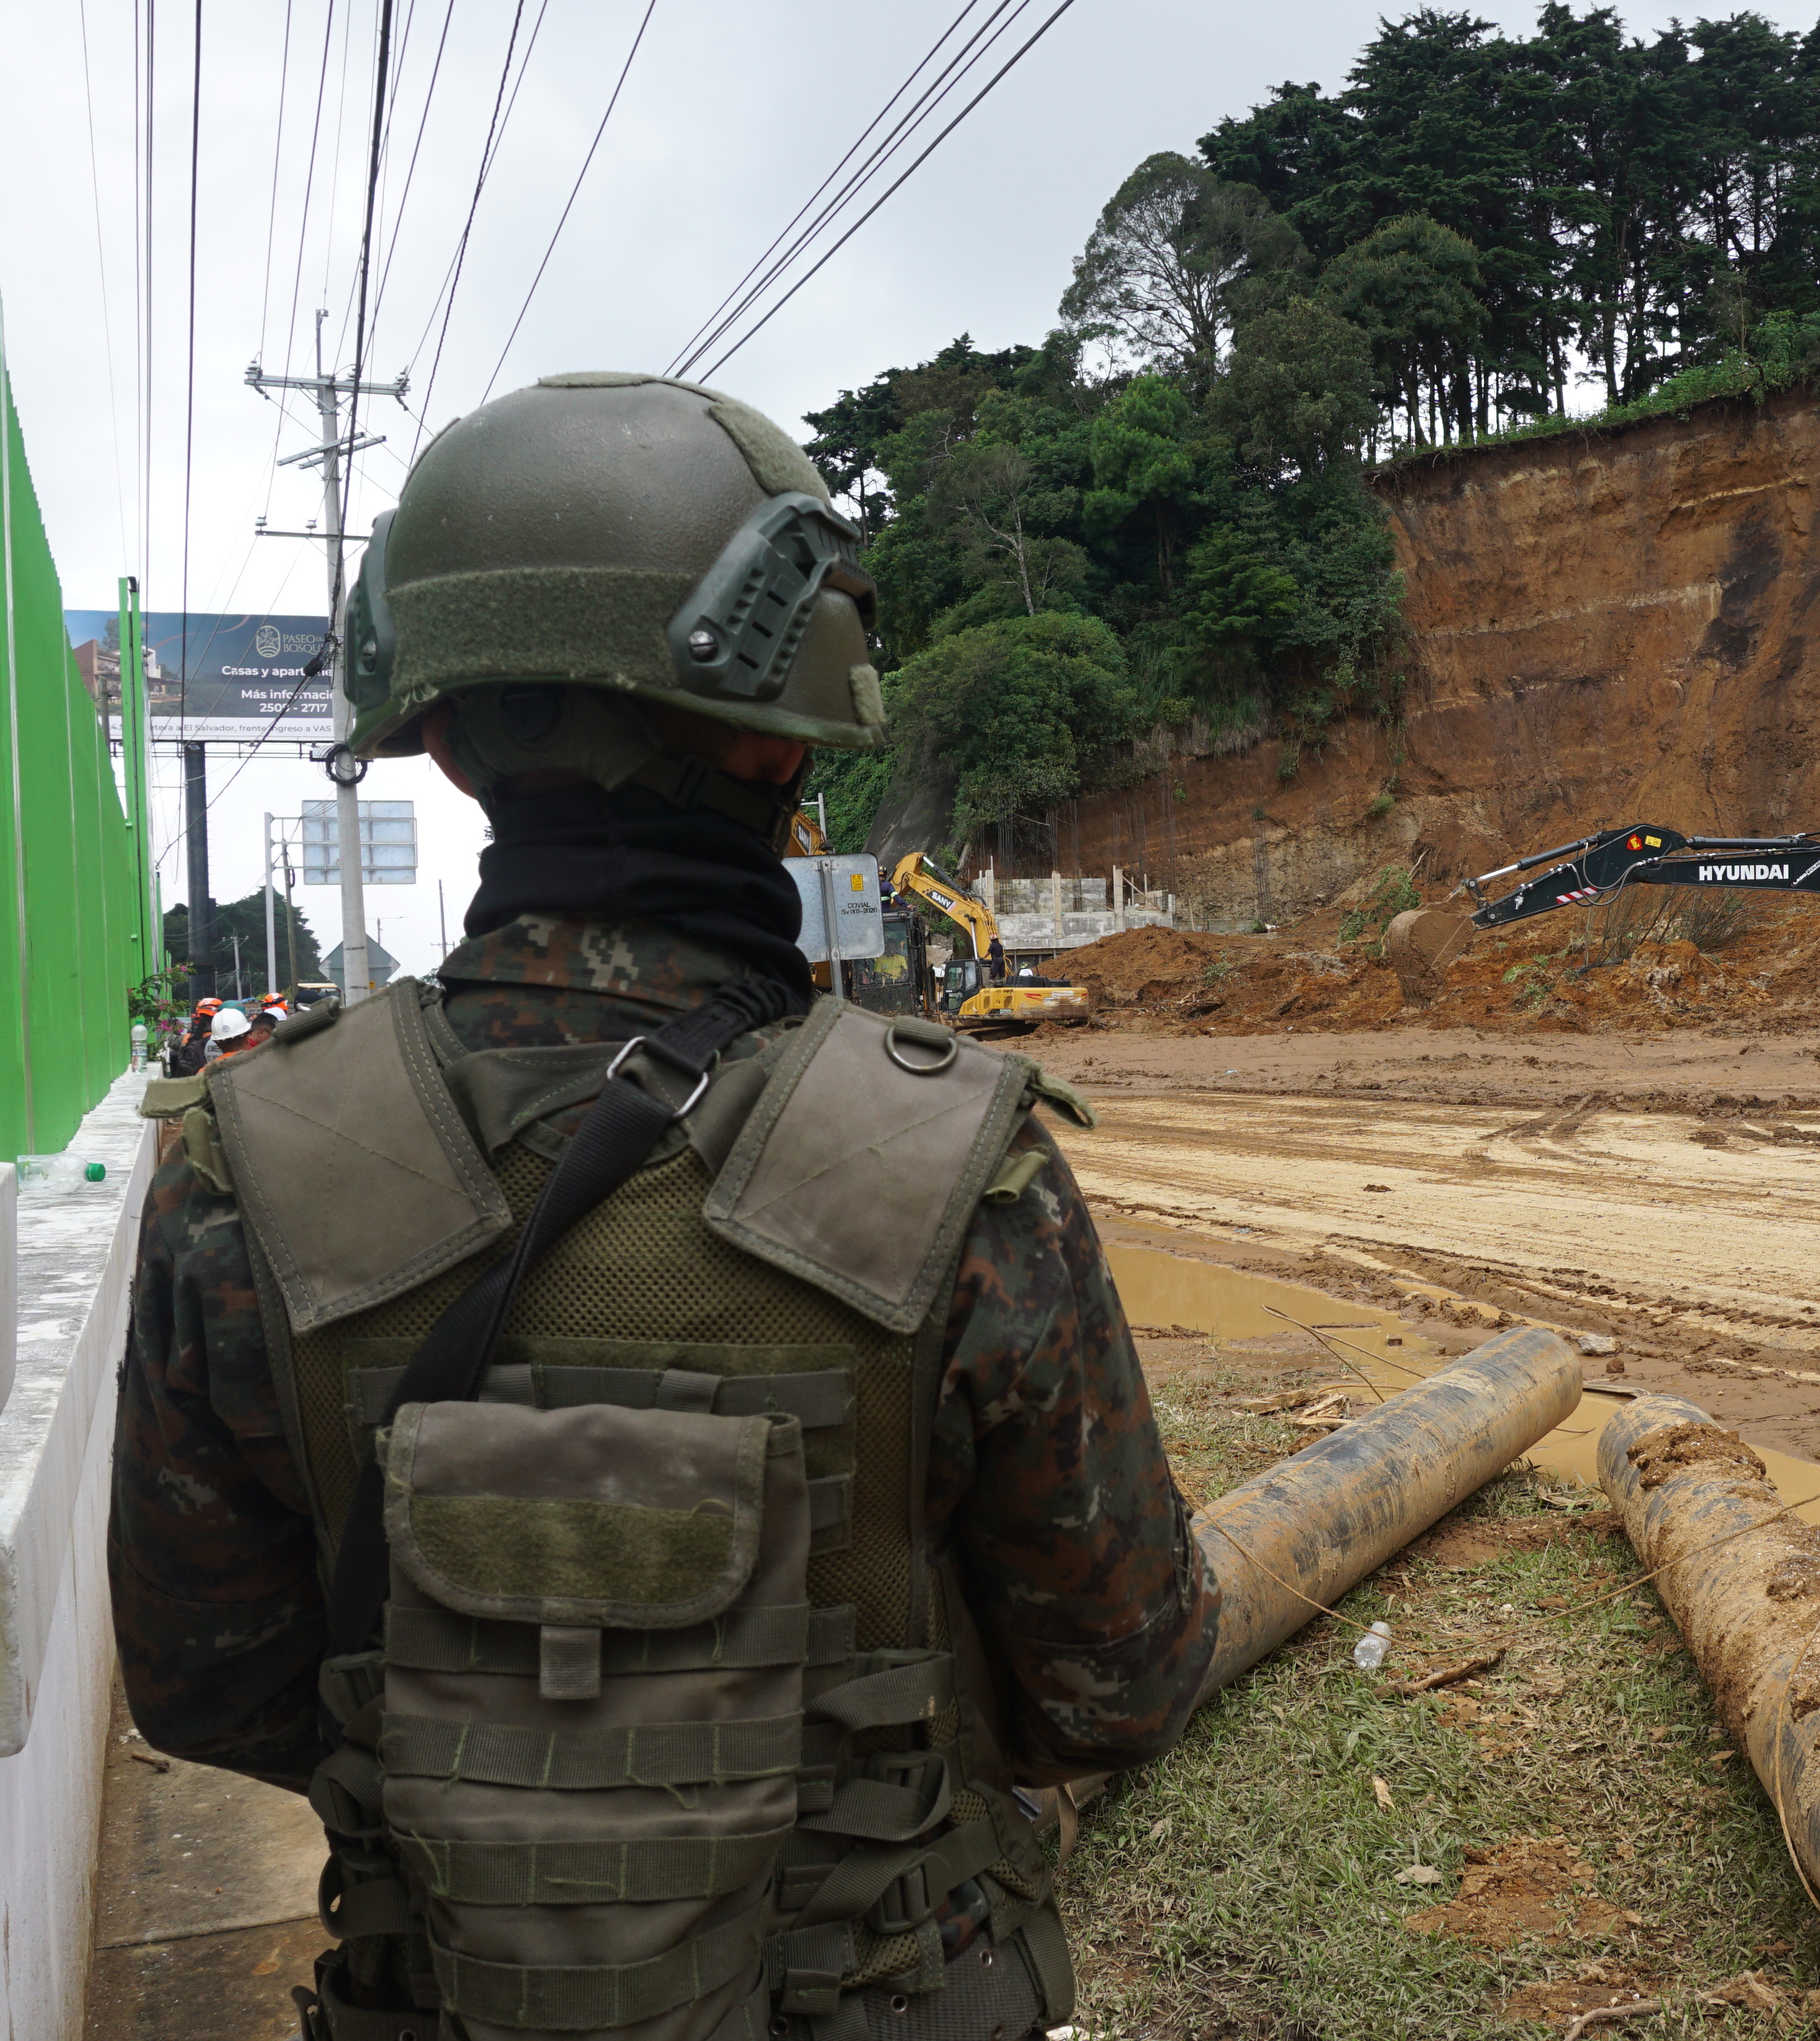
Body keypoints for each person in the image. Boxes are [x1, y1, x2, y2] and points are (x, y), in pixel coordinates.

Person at [108, 371, 1222, 2040]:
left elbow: (215, 1692)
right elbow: (1118, 1683)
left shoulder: (247, 1166)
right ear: (791, 730)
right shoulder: (947, 1167)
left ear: (444, 735)